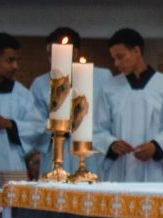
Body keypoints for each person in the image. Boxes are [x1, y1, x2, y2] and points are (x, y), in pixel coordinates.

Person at [94, 28, 163, 182]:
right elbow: (97, 129)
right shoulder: (109, 89)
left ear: (136, 51)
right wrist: (111, 144)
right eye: (114, 59)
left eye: (120, 57)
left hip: (156, 173)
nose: (117, 64)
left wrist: (157, 147)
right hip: (120, 172)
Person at [29, 27, 113, 178]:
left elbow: (107, 117)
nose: (51, 60)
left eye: (54, 55)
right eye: (49, 55)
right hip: (55, 151)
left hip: (90, 152)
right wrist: (58, 127)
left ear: (75, 53)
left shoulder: (102, 77)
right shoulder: (40, 83)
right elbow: (35, 122)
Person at [0, 33, 41, 185]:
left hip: (12, 170)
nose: (15, 66)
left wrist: (10, 124)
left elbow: (37, 127)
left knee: (11, 207)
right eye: (10, 60)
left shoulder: (21, 94)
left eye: (17, 60)